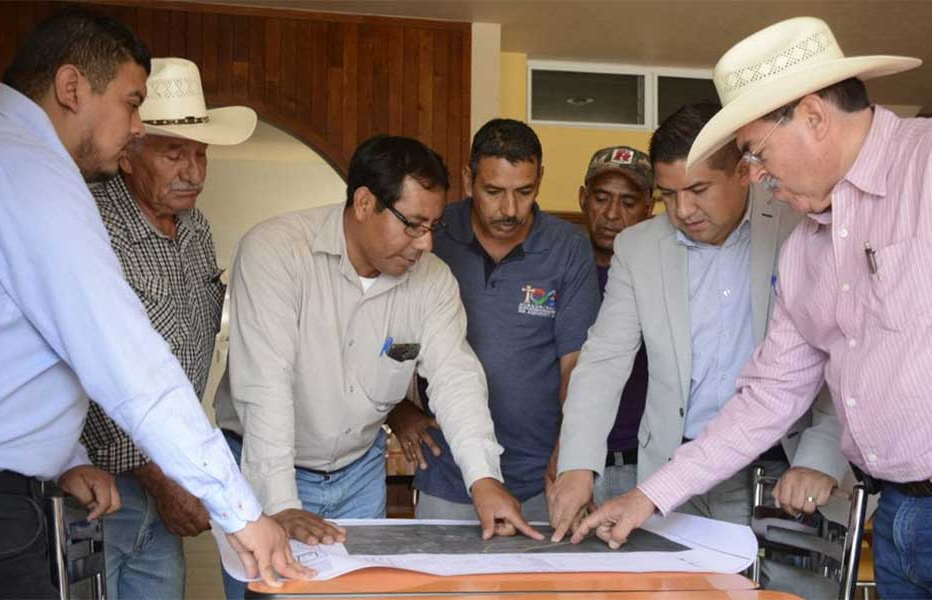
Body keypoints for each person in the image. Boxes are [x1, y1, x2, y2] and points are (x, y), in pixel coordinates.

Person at [574, 17, 932, 599]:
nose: (753, 174)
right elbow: (770, 395)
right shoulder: (806, 249)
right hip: (898, 514)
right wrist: (648, 495)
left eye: (755, 152)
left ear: (813, 117)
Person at [0, 9, 301, 599]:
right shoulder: (30, 171)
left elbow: (1, 348)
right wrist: (241, 512)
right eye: (131, 103)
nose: (135, 126)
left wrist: (64, 456)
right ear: (72, 88)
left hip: (13, 493)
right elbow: (127, 361)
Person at [214, 134, 543, 598]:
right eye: (413, 225)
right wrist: (280, 503)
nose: (426, 243)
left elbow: (456, 380)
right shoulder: (276, 251)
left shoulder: (432, 281)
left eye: (433, 226)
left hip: (357, 472)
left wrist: (483, 478)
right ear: (365, 203)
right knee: (268, 593)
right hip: (261, 467)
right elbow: (264, 386)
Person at [551, 103, 851, 596]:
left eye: (698, 190)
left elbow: (841, 355)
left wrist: (819, 456)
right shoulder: (638, 247)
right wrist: (577, 465)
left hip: (781, 474)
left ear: (744, 172)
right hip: (671, 474)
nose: (683, 211)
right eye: (668, 195)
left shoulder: (798, 227)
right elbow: (602, 362)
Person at [79, 57, 257, 599]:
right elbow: (86, 363)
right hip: (97, 484)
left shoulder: (197, 228)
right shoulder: (89, 222)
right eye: (174, 153)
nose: (194, 172)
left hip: (169, 471)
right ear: (128, 153)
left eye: (201, 154)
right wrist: (158, 477)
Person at [386, 119, 600, 522]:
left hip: (542, 477)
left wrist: (572, 452)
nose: (510, 210)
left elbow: (577, 363)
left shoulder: (568, 247)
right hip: (447, 472)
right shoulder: (432, 235)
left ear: (540, 180)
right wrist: (397, 409)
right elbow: (379, 331)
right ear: (469, 180)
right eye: (494, 191)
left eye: (525, 192)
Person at [577, 145, 654, 504]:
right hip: (569, 464)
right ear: (583, 199)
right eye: (601, 198)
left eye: (628, 202)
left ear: (649, 208)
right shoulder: (560, 272)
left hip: (643, 467)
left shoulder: (663, 276)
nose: (611, 214)